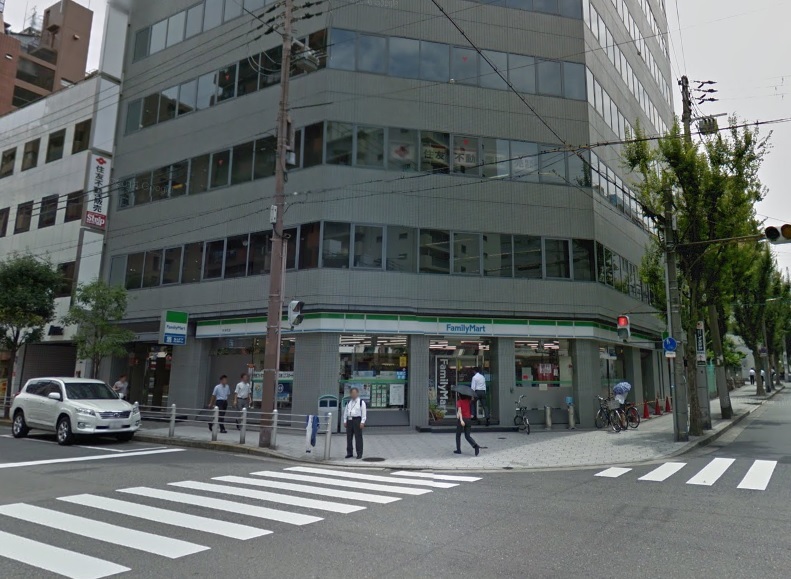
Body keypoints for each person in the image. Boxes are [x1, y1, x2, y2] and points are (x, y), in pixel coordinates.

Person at [343, 387, 366, 459]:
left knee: (358, 437)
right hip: (349, 420)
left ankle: (359, 453)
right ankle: (349, 453)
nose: (353, 395)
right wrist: (345, 420)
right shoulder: (348, 402)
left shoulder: (361, 402)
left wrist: (362, 422)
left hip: (357, 420)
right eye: (352, 393)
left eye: (355, 393)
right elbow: (345, 412)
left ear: (357, 393)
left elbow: (364, 413)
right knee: (349, 437)